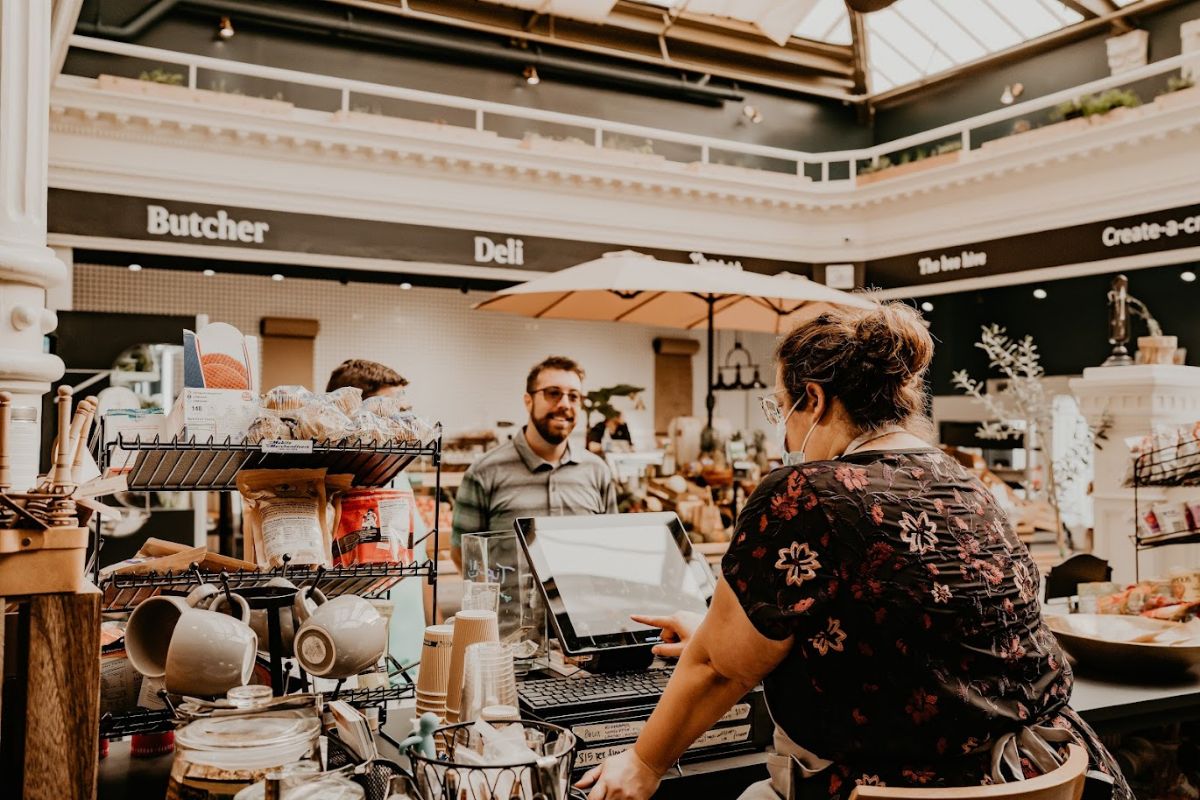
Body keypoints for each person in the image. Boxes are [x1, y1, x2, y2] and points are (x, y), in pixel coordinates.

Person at [577, 304, 1129, 800]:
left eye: (781, 411)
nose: (785, 435)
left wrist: (642, 763)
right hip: (1047, 774)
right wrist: (714, 633)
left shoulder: (807, 492)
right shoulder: (963, 481)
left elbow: (721, 673)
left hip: (898, 794)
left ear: (813, 399)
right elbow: (905, 635)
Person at [451, 355, 617, 570]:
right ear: (528, 401)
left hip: (581, 603)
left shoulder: (597, 471)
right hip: (511, 604)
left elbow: (610, 546)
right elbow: (464, 554)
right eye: (553, 393)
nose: (565, 404)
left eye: (574, 396)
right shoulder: (485, 471)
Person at [326, 359, 428, 665]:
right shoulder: (327, 485)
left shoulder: (400, 476)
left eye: (404, 410)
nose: (401, 422)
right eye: (389, 410)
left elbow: (421, 566)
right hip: (350, 660)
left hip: (411, 658)